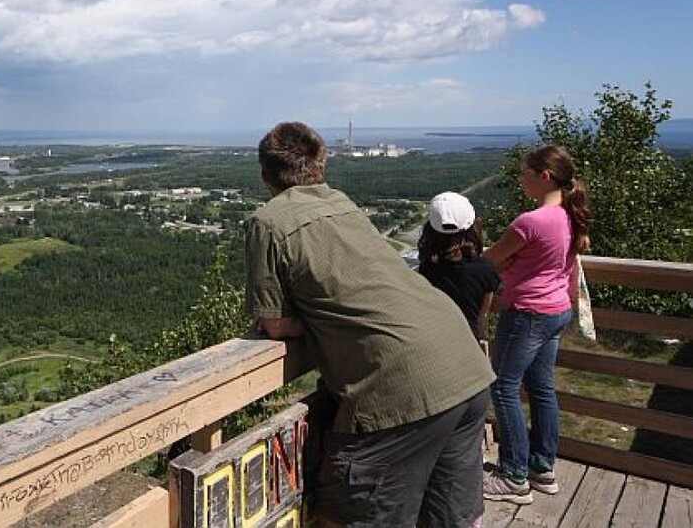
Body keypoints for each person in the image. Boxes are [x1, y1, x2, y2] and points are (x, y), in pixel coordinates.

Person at [246, 122, 495, 528]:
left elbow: (273, 324)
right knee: (450, 519)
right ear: (320, 167)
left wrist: (320, 324)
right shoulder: (343, 202)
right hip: (464, 364)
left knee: (347, 517)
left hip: (400, 386)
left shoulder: (269, 222)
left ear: (264, 175)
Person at [482, 145, 592, 504]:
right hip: (557, 308)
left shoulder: (530, 222)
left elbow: (490, 260)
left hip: (528, 312)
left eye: (524, 172)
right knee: (542, 388)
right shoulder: (567, 215)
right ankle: (542, 469)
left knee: (502, 387)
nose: (520, 178)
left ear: (544, 177)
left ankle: (514, 475)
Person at [418, 192, 501, 341]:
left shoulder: (426, 271)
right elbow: (482, 316)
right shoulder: (485, 270)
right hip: (468, 344)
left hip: (434, 341)